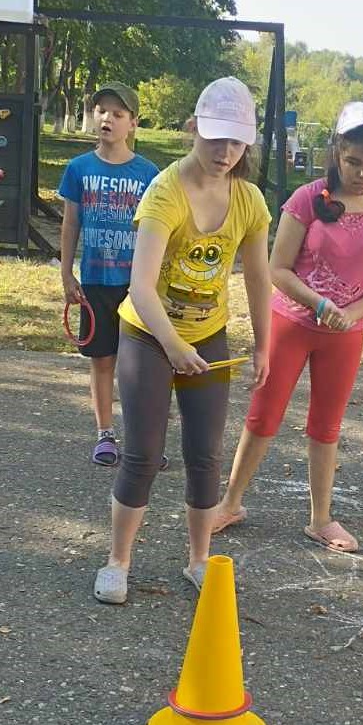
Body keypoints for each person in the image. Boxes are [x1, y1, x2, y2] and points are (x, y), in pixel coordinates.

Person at [92, 77, 272, 605]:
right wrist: (173, 347)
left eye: (236, 142)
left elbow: (258, 278)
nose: (225, 152)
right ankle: (117, 561)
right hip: (149, 335)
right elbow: (141, 287)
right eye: (216, 138)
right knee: (143, 453)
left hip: (207, 334)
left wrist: (264, 345)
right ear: (194, 127)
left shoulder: (249, 200)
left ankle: (198, 561)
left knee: (205, 454)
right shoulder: (165, 191)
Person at [212, 101, 363, 552]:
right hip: (292, 323)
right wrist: (318, 303)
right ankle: (230, 503)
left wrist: (352, 313)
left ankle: (321, 519)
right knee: (264, 414)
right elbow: (277, 269)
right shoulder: (307, 199)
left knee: (326, 425)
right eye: (354, 161)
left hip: (345, 334)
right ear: (336, 152)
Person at [59, 82, 159, 466]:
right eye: (102, 111)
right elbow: (71, 224)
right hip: (96, 283)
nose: (108, 119)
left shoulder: (149, 174)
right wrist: (67, 274)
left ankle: (143, 441)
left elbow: (158, 230)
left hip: (138, 287)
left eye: (118, 114)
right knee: (102, 360)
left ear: (133, 123)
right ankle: (105, 433)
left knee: (142, 367)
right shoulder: (78, 169)